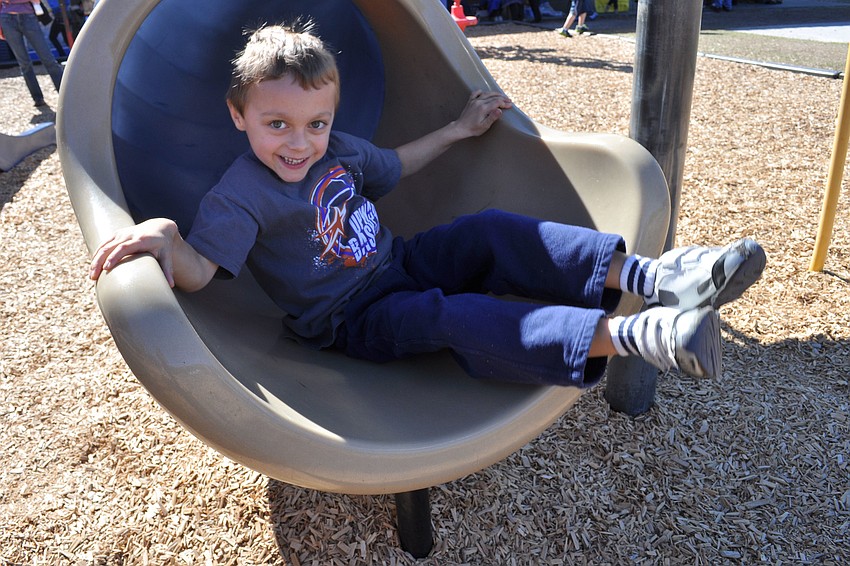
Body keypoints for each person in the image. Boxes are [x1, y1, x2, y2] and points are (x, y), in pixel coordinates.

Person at [89, 22, 766, 388]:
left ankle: (659, 278)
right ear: (239, 116)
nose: (300, 144)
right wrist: (163, 235)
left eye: (315, 123)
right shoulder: (240, 194)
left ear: (332, 115)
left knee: (490, 232)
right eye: (277, 125)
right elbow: (202, 270)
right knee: (452, 315)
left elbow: (393, 167)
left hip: (399, 261)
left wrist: (457, 130)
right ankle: (634, 337)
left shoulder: (339, 151)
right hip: (350, 317)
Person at [0, 0, 64, 107]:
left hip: (28, 18)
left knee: (48, 59)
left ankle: (64, 93)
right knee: (24, 63)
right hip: (6, 19)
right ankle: (37, 98)